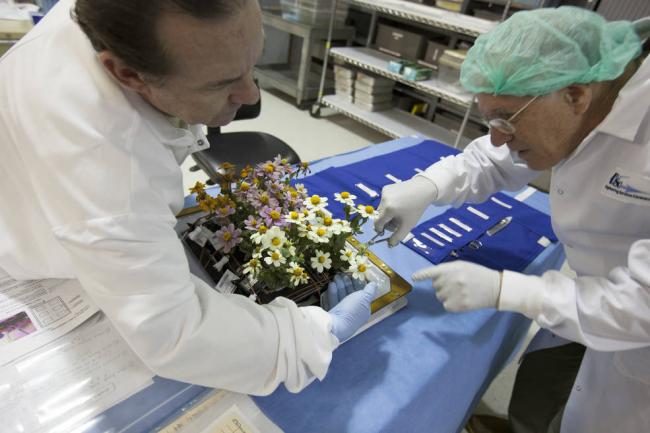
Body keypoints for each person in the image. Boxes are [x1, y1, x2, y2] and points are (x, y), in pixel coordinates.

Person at [0, 0, 376, 395]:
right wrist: (307, 336)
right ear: (128, 74)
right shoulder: (109, 168)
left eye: (254, 60)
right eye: (221, 83)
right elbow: (175, 334)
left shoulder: (108, 16)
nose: (251, 95)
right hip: (38, 254)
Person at [375, 7, 650, 433]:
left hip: (636, 349)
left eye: (506, 118)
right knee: (542, 391)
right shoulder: (578, 97)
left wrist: (512, 290)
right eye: (490, 120)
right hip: (588, 294)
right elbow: (496, 157)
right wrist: (429, 185)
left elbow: (641, 305)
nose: (497, 137)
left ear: (576, 96)